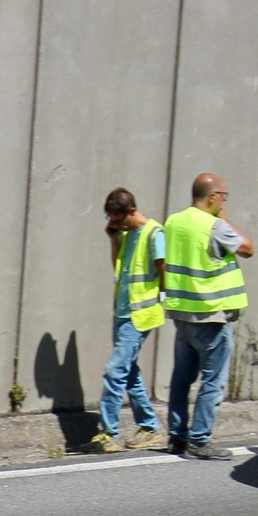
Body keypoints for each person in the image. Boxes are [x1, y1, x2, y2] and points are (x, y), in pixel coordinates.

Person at [160, 172, 254, 461]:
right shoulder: (214, 226)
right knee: (213, 380)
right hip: (211, 315)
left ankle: (177, 436)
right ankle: (199, 441)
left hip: (182, 314)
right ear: (213, 197)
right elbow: (248, 248)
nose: (224, 201)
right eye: (223, 196)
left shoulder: (174, 221)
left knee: (181, 378)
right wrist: (224, 219)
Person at [89, 188, 167, 452]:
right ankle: (149, 427)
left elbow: (164, 271)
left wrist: (163, 300)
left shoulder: (154, 233)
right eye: (112, 221)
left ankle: (108, 433)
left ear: (132, 211)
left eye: (119, 220)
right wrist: (114, 240)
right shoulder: (128, 234)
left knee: (115, 371)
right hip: (123, 312)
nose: (116, 225)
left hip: (140, 315)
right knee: (129, 373)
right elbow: (119, 269)